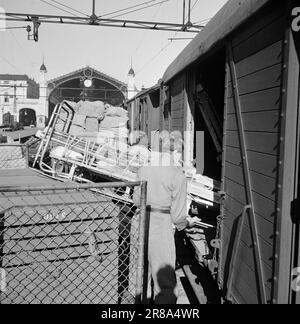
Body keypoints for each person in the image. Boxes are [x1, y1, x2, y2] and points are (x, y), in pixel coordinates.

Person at [133, 132, 188, 304]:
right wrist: (183, 224)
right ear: (176, 152)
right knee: (163, 273)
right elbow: (178, 214)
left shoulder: (143, 168)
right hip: (161, 223)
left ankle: (139, 301)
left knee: (139, 268)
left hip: (140, 219)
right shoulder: (177, 174)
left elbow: (136, 199)